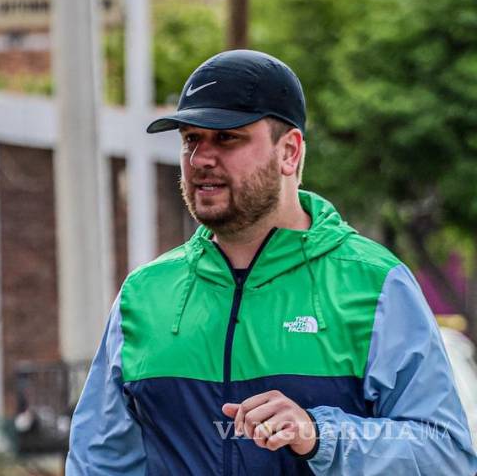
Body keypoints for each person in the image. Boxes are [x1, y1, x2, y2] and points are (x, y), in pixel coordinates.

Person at [67, 50, 477, 475]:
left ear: (290, 152)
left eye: (227, 138)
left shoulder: (374, 283)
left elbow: (445, 455)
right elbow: (98, 464)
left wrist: (318, 434)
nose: (200, 159)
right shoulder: (144, 294)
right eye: (191, 139)